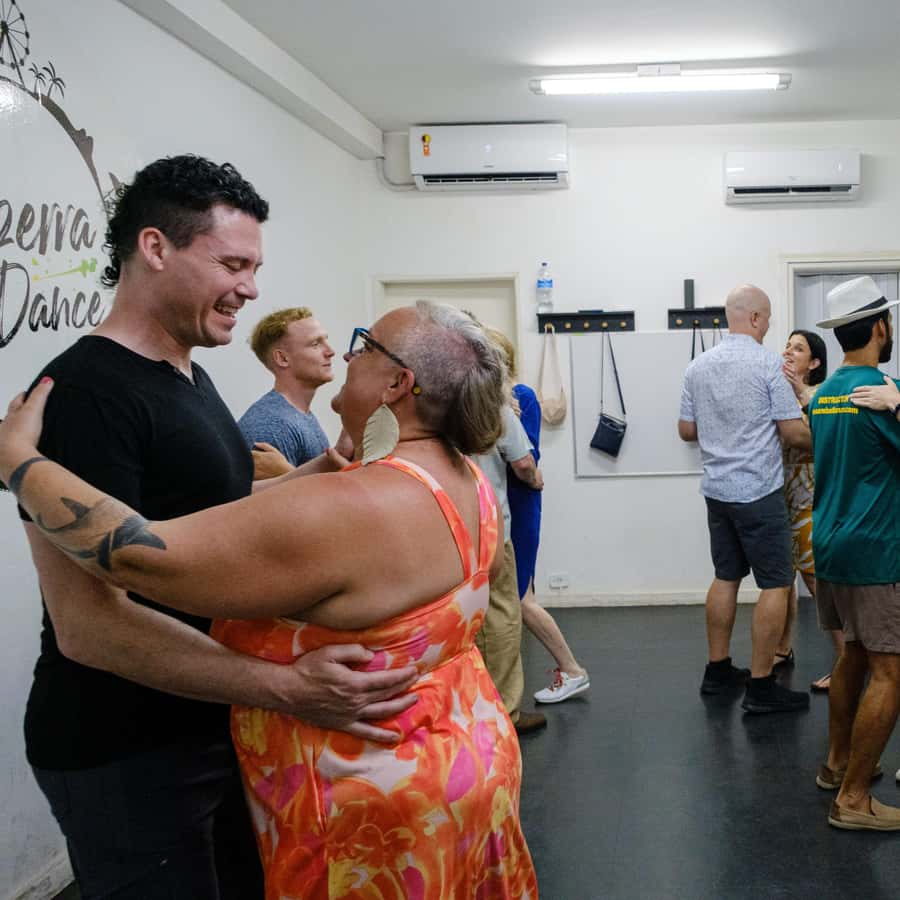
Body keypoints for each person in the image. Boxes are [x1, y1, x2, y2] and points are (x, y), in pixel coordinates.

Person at [0, 301, 539, 897]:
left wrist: (19, 461)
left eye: (365, 345)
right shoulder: (464, 480)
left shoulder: (352, 508)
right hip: (464, 762)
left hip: (370, 808)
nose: (347, 355)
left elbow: (135, 556)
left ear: (397, 383)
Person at [11, 156, 417, 900]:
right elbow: (88, 626)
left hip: (207, 722)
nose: (251, 289)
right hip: (124, 746)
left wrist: (321, 471)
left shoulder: (188, 375)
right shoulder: (88, 394)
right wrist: (287, 688)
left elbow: (208, 518)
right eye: (232, 264)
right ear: (155, 248)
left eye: (254, 268)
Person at [678, 284, 812, 714]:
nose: (769, 327)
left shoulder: (697, 366)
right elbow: (793, 433)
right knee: (776, 583)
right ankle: (761, 686)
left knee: (726, 576)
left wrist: (723, 427)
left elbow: (686, 430)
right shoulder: (768, 365)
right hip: (758, 492)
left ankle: (717, 672)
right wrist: (833, 436)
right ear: (754, 318)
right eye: (767, 319)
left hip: (717, 492)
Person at [805, 275, 900, 831]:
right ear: (880, 327)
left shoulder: (825, 396)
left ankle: (837, 763)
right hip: (875, 550)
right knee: (890, 673)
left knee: (855, 656)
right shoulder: (881, 393)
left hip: (832, 545)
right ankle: (855, 798)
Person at [486, 328, 590, 704]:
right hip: (500, 502)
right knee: (516, 597)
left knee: (520, 596)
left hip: (518, 501)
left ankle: (572, 669)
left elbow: (525, 460)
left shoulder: (522, 396)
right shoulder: (483, 402)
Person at [472, 397, 547, 735]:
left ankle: (471, 705)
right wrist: (534, 480)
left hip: (444, 526)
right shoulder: (492, 406)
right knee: (502, 615)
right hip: (488, 525)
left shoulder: (430, 404)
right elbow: (524, 463)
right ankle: (504, 711)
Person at [776, 329, 843, 692]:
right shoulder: (777, 394)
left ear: (814, 362)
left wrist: (800, 389)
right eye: (787, 346)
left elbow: (825, 439)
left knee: (819, 584)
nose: (788, 352)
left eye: (798, 348)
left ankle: (846, 663)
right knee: (781, 580)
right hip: (780, 502)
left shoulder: (821, 395)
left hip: (813, 504)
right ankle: (781, 648)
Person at [239, 307, 335, 478]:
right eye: (315, 344)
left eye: (325, 340)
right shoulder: (272, 427)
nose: (330, 352)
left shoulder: (298, 415)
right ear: (282, 359)